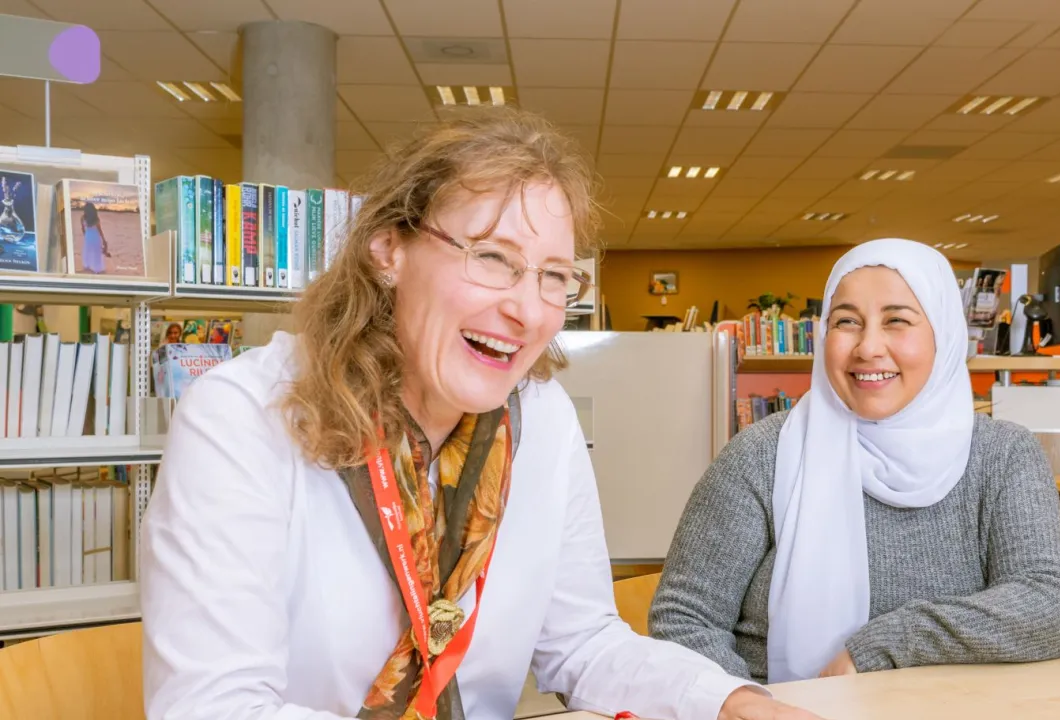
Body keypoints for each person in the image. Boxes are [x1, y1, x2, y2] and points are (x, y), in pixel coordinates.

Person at [138, 108, 818, 720]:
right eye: (493, 258)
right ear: (387, 250)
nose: (527, 311)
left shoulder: (541, 421)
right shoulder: (240, 418)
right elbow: (211, 707)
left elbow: (582, 644)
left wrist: (731, 701)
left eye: (553, 275)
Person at [649, 238, 1060, 684]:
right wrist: (751, 708)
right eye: (846, 322)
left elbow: (1051, 603)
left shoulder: (1003, 454)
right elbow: (684, 621)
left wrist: (885, 644)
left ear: (945, 335)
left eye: (897, 321)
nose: (868, 347)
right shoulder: (761, 455)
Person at [80, 201, 109, 274]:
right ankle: (97, 268)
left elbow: (82, 229)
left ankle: (88, 265)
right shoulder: (96, 219)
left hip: (88, 236)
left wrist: (85, 236)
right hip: (95, 236)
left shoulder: (83, 218)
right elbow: (100, 230)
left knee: (88, 251)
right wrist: (104, 240)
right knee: (96, 252)